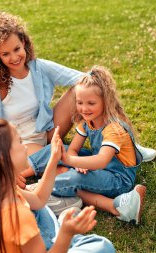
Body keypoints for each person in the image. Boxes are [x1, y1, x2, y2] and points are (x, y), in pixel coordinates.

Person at [0, 10, 156, 187]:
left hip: (45, 130)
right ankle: (64, 171)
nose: (14, 57)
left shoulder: (38, 68)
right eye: (5, 54)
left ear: (24, 43)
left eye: (17, 49)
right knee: (59, 160)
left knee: (87, 89)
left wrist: (95, 87)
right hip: (19, 144)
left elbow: (87, 79)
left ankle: (127, 143)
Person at [0, 119, 115, 253]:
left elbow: (38, 199)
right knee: (103, 247)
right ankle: (62, 229)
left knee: (98, 244)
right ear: (3, 158)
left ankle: (61, 229)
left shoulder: (0, 193)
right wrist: (66, 233)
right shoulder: (19, 217)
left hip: (43, 239)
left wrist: (54, 158)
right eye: (19, 142)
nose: (25, 146)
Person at [50, 66, 146, 225]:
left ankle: (38, 191)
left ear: (105, 101)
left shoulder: (114, 129)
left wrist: (71, 161)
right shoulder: (87, 121)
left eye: (91, 103)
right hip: (100, 170)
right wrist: (75, 160)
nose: (84, 108)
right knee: (59, 150)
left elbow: (101, 160)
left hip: (118, 179)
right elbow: (73, 149)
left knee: (75, 178)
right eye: (79, 102)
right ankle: (28, 168)